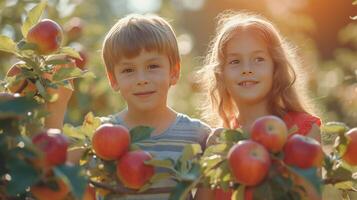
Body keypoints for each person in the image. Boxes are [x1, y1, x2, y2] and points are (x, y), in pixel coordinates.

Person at [45, 14, 211, 200]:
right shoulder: (98, 135)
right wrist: (57, 103)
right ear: (113, 80)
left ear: (174, 72)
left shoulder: (198, 136)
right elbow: (52, 173)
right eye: (128, 70)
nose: (141, 79)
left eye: (153, 66)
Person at [194, 11, 321, 200]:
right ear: (221, 74)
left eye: (258, 59)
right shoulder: (221, 142)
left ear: (275, 68)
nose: (247, 69)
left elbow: (312, 196)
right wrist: (209, 163)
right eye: (235, 61)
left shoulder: (301, 131)